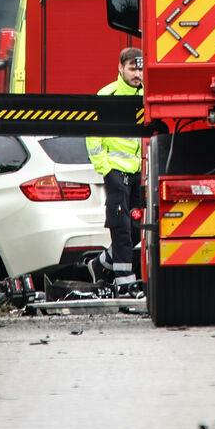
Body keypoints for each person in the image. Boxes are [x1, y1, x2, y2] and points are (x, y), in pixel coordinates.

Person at [87, 47, 145, 286]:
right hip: (116, 172)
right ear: (120, 68)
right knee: (120, 227)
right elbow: (93, 137)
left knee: (137, 228)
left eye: (140, 68)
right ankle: (124, 281)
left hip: (139, 173)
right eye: (132, 68)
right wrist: (105, 169)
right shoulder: (107, 96)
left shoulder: (146, 95)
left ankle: (102, 263)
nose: (137, 73)